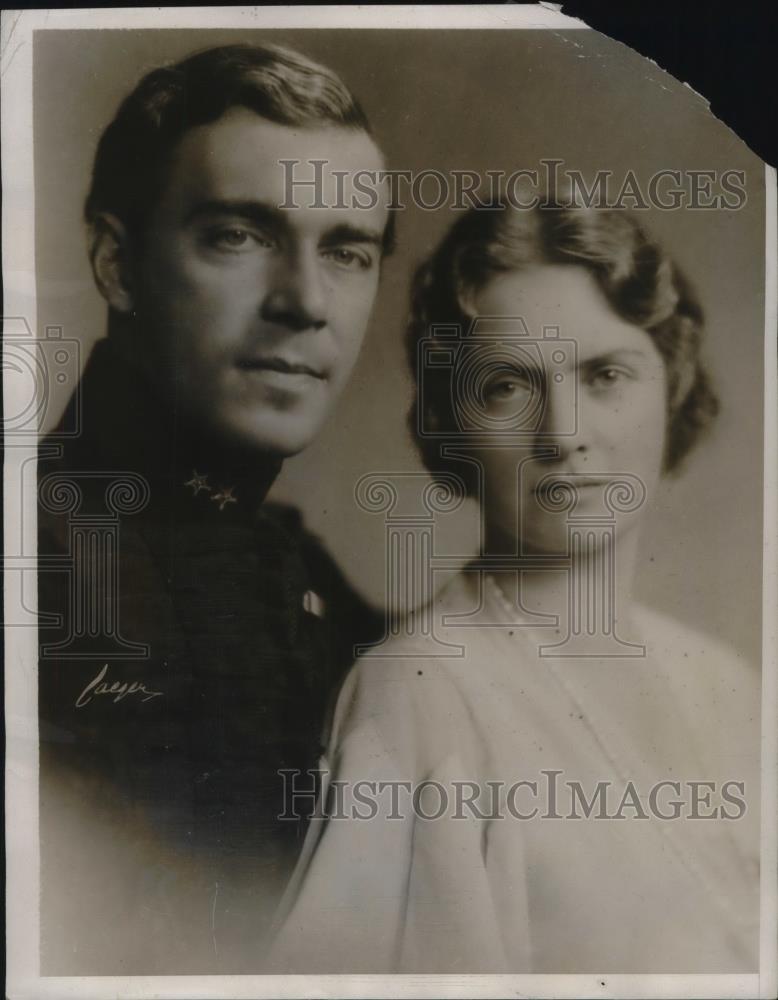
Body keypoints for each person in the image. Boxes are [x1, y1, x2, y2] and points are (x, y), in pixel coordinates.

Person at [268, 199, 761, 973]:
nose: (563, 433)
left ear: (671, 388)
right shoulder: (419, 695)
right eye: (507, 387)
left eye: (605, 375)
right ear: (453, 421)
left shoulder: (730, 687)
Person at [37, 42, 392, 974]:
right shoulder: (29, 562)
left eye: (348, 252)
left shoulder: (310, 581)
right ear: (118, 264)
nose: (306, 301)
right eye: (239, 235)